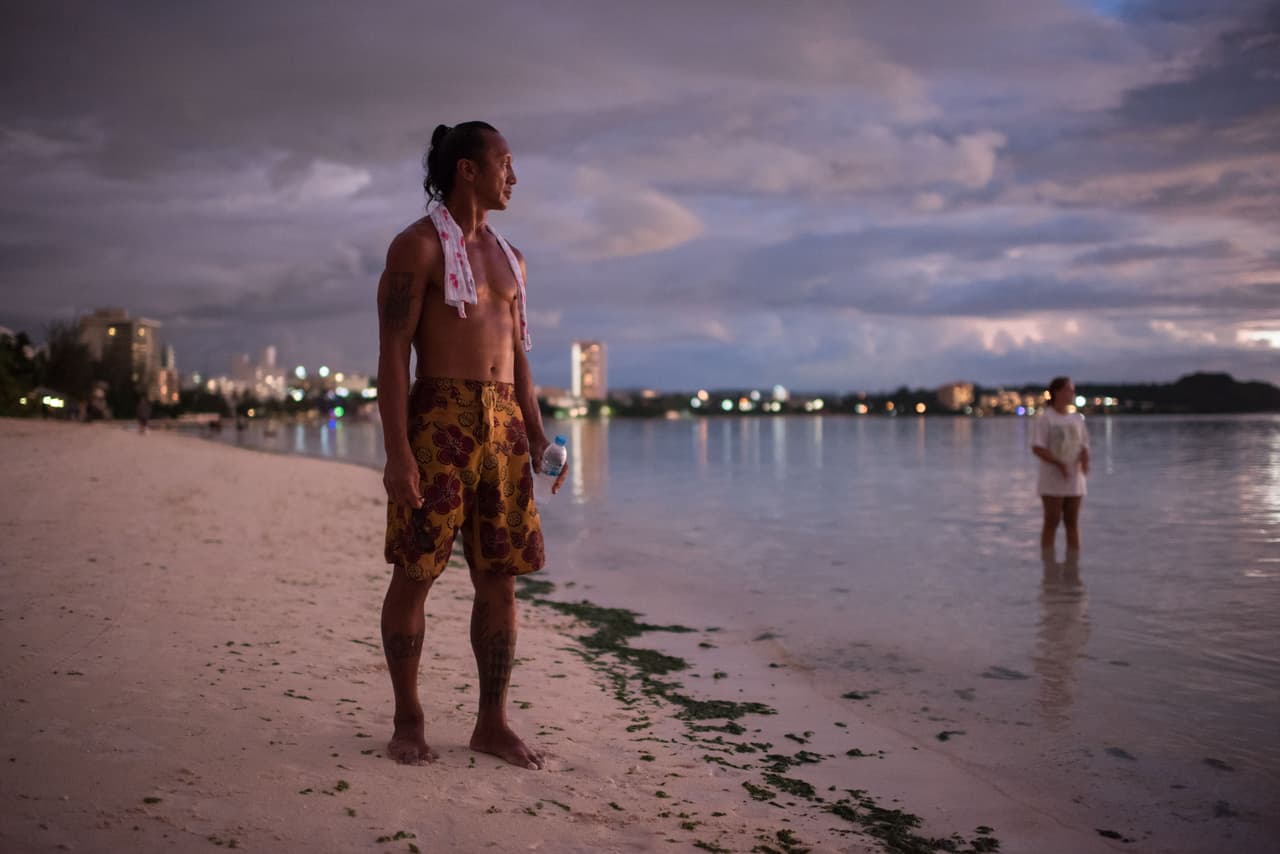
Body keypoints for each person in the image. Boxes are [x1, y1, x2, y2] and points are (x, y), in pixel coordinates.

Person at [376, 121, 568, 771]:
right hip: (440, 418)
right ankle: (409, 718)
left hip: (505, 426)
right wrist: (398, 452)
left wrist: (539, 439)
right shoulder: (416, 247)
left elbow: (519, 356)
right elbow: (392, 357)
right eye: (505, 163)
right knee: (416, 572)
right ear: (468, 169)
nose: (513, 177)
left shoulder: (512, 257)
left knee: (501, 580)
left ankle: (492, 724)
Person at [1031, 376, 1090, 553]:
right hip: (1052, 478)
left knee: (1072, 522)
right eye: (1068, 390)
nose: (1072, 393)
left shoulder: (1077, 418)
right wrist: (1058, 463)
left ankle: (1073, 566)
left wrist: (1086, 459)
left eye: (1072, 390)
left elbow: (1084, 444)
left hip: (1074, 478)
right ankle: (1048, 563)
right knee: (1052, 520)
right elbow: (1038, 447)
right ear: (1056, 392)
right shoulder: (1046, 419)